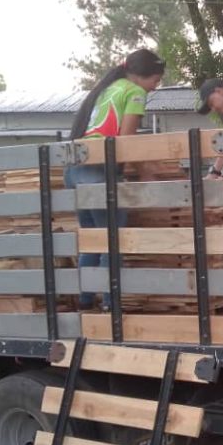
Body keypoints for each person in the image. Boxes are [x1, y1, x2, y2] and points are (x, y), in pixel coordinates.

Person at [67, 49, 165, 310]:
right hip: (99, 172)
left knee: (93, 240)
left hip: (76, 170)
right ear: (142, 75)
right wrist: (145, 170)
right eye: (155, 80)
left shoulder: (107, 89)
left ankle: (85, 300)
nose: (155, 87)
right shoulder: (135, 92)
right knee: (112, 241)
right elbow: (126, 141)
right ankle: (111, 305)